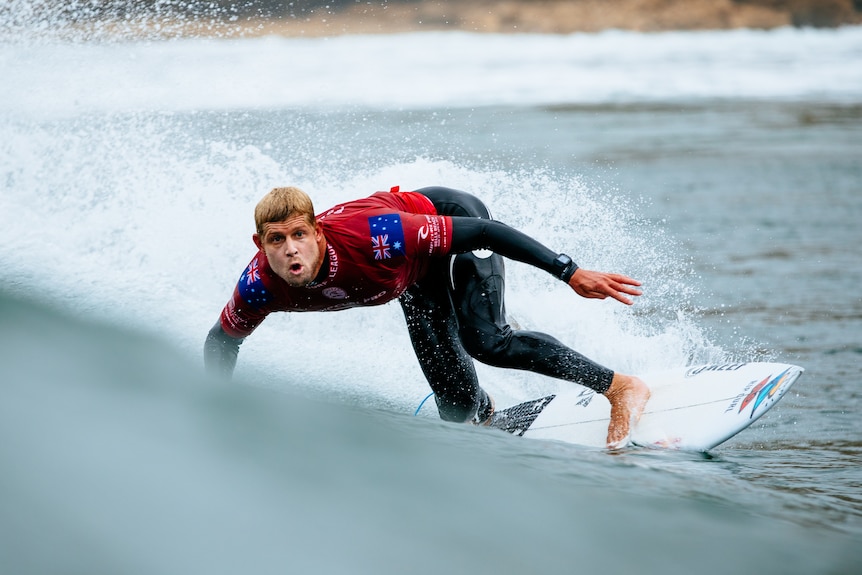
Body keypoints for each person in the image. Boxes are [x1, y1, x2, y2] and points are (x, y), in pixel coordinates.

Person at [205, 185, 650, 448]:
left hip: (454, 222)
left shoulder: (376, 234)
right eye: (276, 240)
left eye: (299, 234)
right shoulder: (259, 287)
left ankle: (620, 387)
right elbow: (222, 340)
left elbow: (484, 232)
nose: (290, 249)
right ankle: (485, 412)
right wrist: (216, 410)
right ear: (259, 243)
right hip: (412, 277)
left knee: (487, 341)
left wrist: (569, 272)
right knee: (457, 409)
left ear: (318, 232)